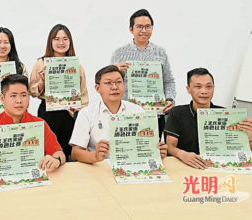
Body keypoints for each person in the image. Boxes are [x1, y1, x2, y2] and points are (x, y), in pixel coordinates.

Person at [0, 74, 65, 177]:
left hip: (33, 181)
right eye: (13, 96)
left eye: (23, 95)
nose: (19, 101)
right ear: (2, 98)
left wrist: (56, 160)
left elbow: (59, 153)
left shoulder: (39, 125)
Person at [70, 65, 167, 163]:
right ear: (98, 88)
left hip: (131, 165)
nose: (114, 87)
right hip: (100, 167)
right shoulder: (86, 114)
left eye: (119, 82)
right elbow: (75, 153)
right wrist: (95, 156)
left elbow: (146, 146)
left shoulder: (137, 111)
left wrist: (156, 152)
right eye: (108, 83)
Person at [165, 67, 252, 169]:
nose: (204, 91)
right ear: (188, 89)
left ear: (213, 88)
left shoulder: (226, 114)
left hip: (217, 168)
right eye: (198, 86)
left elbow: (241, 151)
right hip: (186, 167)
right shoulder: (177, 113)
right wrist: (183, 154)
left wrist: (249, 139)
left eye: (209, 86)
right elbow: (170, 147)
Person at [110, 9, 176, 139]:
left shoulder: (160, 53)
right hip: (126, 113)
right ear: (131, 29)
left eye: (147, 27)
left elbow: (168, 81)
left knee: (150, 150)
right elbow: (109, 83)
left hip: (154, 113)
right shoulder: (119, 53)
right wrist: (116, 71)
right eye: (139, 27)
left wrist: (169, 99)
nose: (144, 30)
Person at [29, 24, 89, 160]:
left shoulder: (76, 64)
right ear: (50, 41)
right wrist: (42, 81)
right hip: (48, 112)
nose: (61, 43)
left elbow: (83, 94)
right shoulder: (41, 63)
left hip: (69, 113)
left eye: (65, 39)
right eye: (56, 39)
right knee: (48, 150)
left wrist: (77, 110)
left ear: (70, 42)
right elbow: (31, 91)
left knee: (69, 151)